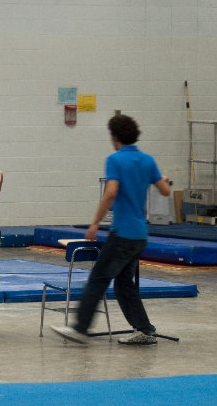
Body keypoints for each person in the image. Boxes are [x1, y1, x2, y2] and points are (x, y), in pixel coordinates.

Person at [51, 114, 171, 346]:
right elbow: (165, 191)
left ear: (115, 137)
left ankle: (80, 328)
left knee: (98, 278)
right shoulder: (148, 161)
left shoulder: (115, 160)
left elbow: (111, 191)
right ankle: (145, 330)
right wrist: (160, 178)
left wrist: (95, 223)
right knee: (124, 283)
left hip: (123, 233)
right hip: (139, 235)